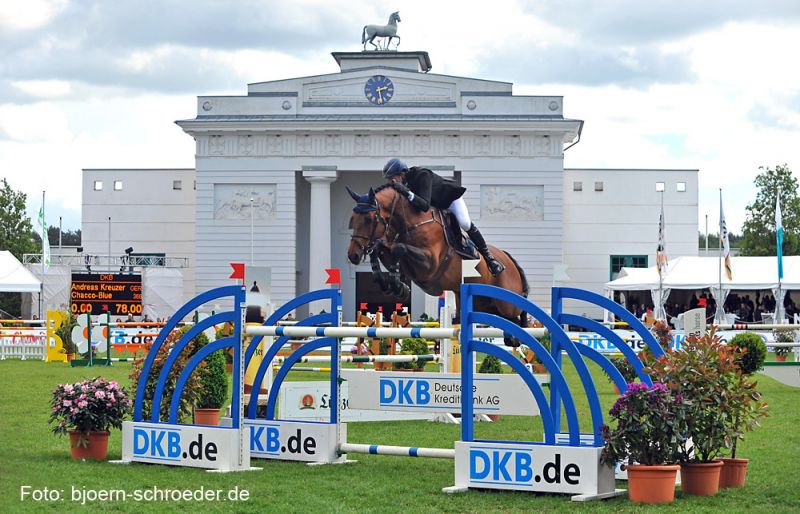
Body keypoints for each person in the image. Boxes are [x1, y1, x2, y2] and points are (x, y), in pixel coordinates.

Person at [382, 158, 505, 276]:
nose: (392, 182)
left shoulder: (422, 175)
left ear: (402, 174)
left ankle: (489, 258)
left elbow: (424, 205)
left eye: (393, 178)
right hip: (436, 206)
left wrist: (406, 192)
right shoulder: (404, 183)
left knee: (464, 223)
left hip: (449, 200)